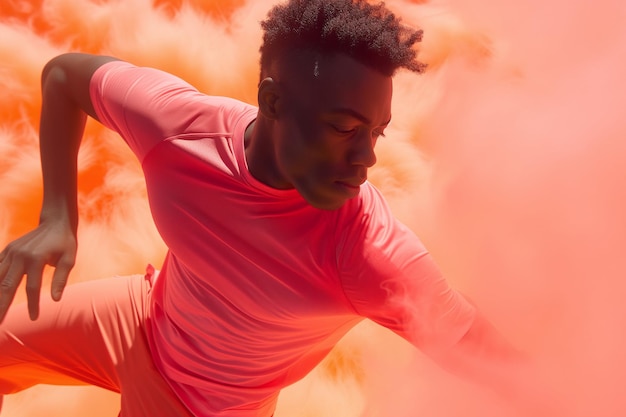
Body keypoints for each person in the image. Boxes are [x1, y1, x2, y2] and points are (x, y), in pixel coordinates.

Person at [0, 0, 545, 416]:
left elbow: (487, 355)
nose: (368, 158)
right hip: (136, 318)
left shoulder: (365, 253)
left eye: (377, 132)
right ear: (272, 101)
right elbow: (65, 76)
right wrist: (57, 217)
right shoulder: (181, 127)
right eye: (344, 128)